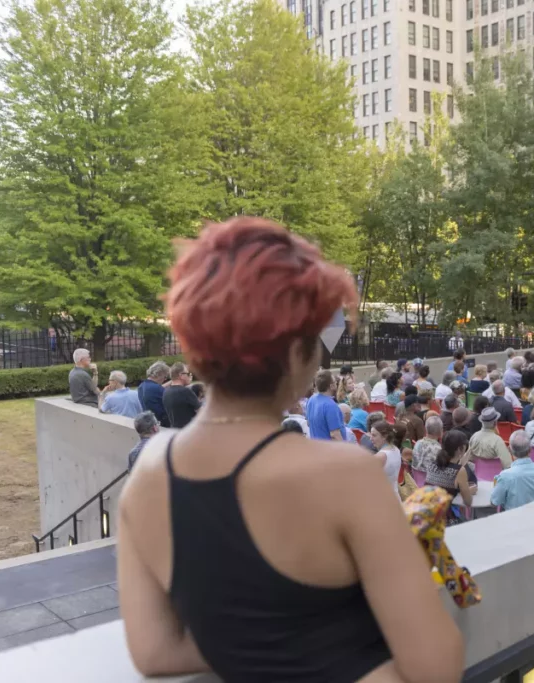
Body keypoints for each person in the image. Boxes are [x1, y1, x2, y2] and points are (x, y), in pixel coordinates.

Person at [117, 218, 462, 681]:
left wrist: (269, 633)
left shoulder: (147, 474)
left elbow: (155, 653)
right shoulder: (346, 474)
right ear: (298, 351)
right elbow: (436, 664)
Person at [424, 431, 478, 520]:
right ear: (461, 449)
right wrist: (468, 491)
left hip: (426, 513)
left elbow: (444, 488)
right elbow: (468, 502)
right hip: (444, 519)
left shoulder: (432, 464)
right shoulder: (459, 471)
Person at [490, 431, 534, 510]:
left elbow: (494, 502)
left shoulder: (505, 476)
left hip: (515, 517)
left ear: (509, 449)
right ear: (530, 450)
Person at [305, 369, 345, 441]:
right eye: (334, 382)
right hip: (330, 447)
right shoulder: (330, 405)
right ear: (331, 386)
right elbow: (335, 434)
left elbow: (308, 423)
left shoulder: (311, 400)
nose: (336, 383)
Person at [369, 421, 403, 498]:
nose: (370, 438)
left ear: (384, 436)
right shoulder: (396, 449)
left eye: (374, 435)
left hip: (381, 499)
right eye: (371, 435)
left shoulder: (380, 456)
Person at [162, 363, 201, 429]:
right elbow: (201, 412)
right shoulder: (185, 391)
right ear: (181, 375)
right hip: (189, 430)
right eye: (188, 374)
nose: (189, 376)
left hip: (175, 430)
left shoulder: (166, 392)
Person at [137, 361, 170, 427]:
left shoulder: (141, 386)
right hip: (163, 424)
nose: (164, 379)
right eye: (165, 377)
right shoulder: (157, 388)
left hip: (150, 423)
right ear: (159, 374)